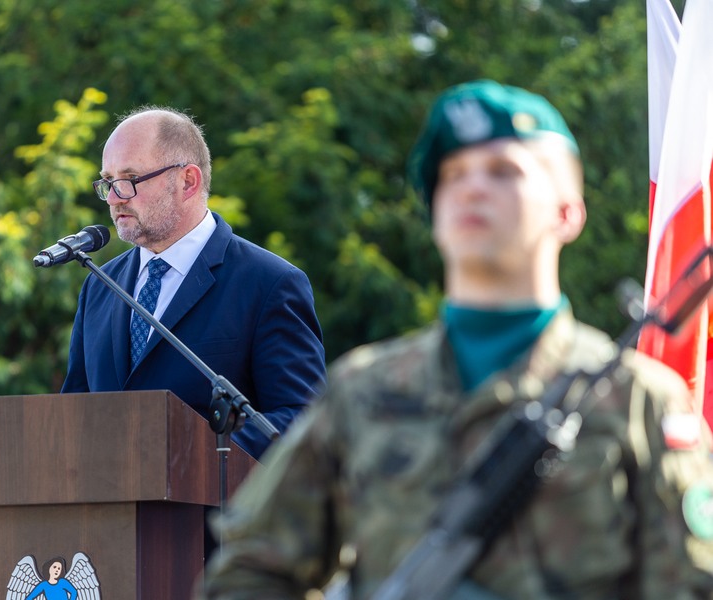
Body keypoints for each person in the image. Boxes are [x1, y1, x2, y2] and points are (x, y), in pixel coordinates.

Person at [198, 80, 713, 599]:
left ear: (567, 212)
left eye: (503, 171)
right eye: (452, 176)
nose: (471, 189)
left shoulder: (636, 399)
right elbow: (246, 573)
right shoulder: (362, 391)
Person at [61, 106, 326, 460]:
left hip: (216, 494)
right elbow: (75, 413)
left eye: (130, 179)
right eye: (107, 181)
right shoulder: (100, 285)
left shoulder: (269, 283)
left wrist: (188, 454)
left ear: (188, 181)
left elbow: (303, 422)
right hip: (108, 496)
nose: (113, 197)